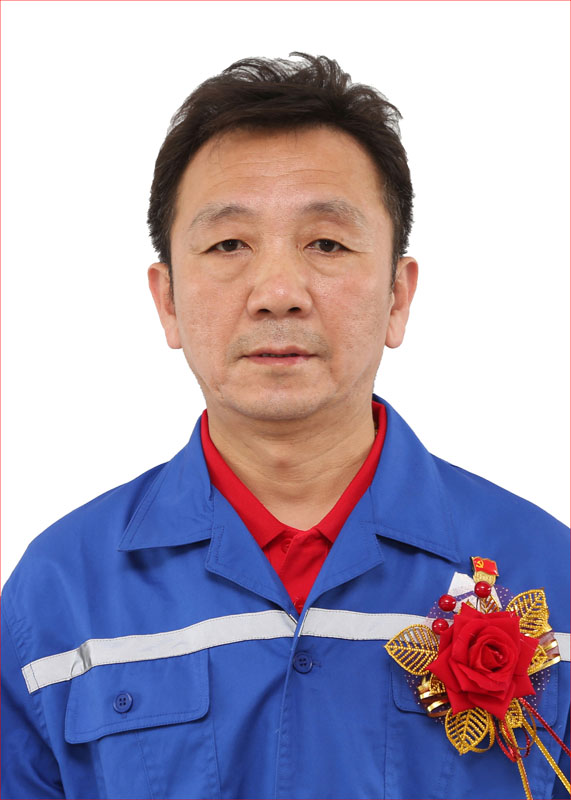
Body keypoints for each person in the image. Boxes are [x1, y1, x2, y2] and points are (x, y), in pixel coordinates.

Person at [1, 53, 569, 800]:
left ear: (397, 296)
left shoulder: (548, 573)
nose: (277, 292)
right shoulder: (59, 591)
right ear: (167, 301)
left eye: (326, 243)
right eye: (228, 245)